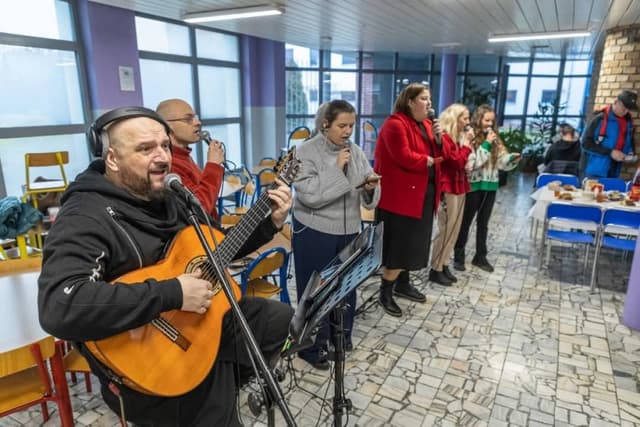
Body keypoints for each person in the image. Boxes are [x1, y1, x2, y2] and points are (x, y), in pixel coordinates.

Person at [38, 107, 294, 426]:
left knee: (286, 321)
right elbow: (60, 306)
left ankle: (230, 378)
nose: (162, 157)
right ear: (112, 158)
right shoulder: (84, 216)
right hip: (149, 356)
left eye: (164, 146)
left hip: (199, 323)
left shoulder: (167, 193)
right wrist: (172, 292)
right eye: (145, 149)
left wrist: (267, 224)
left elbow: (214, 250)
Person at [292, 100, 380, 369]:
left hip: (348, 230)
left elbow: (367, 188)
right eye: (342, 125)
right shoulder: (304, 151)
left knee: (345, 286)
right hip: (314, 232)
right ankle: (309, 346)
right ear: (325, 124)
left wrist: (369, 187)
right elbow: (310, 196)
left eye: (351, 125)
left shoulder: (354, 150)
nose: (348, 131)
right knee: (315, 292)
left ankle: (339, 336)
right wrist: (336, 169)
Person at [373, 83, 441, 318]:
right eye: (423, 98)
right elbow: (402, 155)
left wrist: (440, 139)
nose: (429, 103)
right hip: (400, 199)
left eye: (429, 99)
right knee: (400, 247)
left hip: (421, 195)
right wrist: (427, 160)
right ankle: (386, 292)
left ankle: (403, 283)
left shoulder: (426, 125)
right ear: (410, 101)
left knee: (413, 245)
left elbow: (443, 152)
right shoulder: (395, 124)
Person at [453, 104, 520, 273]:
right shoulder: (470, 136)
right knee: (465, 223)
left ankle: (480, 257)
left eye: (492, 120)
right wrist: (487, 145)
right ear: (479, 119)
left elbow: (501, 161)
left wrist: (511, 158)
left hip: (490, 186)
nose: (490, 124)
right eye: (486, 120)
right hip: (473, 186)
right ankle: (458, 256)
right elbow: (474, 163)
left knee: (484, 224)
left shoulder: (493, 137)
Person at [156, 99, 225, 219]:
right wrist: (213, 165)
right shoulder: (169, 164)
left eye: (195, 117)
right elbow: (200, 209)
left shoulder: (184, 156)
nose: (198, 123)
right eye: (188, 119)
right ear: (166, 125)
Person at [429, 104, 473, 286]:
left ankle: (444, 263)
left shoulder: (457, 139)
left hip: (460, 185)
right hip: (448, 186)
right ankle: (436, 268)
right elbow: (455, 162)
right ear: (455, 119)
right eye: (464, 118)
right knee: (446, 228)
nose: (468, 123)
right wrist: (468, 146)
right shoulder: (445, 138)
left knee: (455, 228)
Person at [581, 90, 638, 178]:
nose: (626, 111)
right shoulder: (599, 118)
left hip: (614, 169)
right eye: (624, 107)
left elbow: (629, 142)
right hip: (593, 170)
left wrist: (630, 155)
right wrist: (610, 152)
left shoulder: (628, 122)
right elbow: (585, 143)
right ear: (616, 102)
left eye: (628, 109)